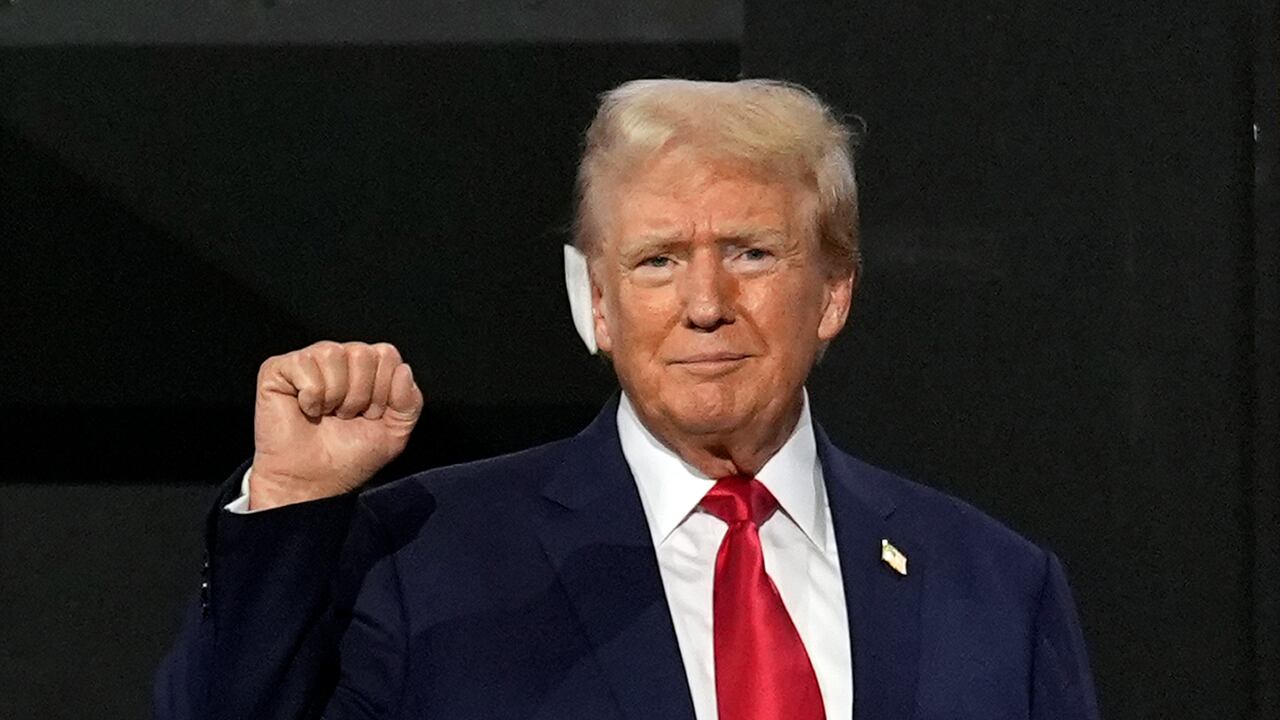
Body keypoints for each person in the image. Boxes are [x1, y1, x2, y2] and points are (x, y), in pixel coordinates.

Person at [155, 78, 1100, 720]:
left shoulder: (997, 588)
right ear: (599, 305)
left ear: (836, 292)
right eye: (656, 262)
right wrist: (287, 505)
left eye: (751, 253)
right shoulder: (426, 559)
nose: (703, 305)